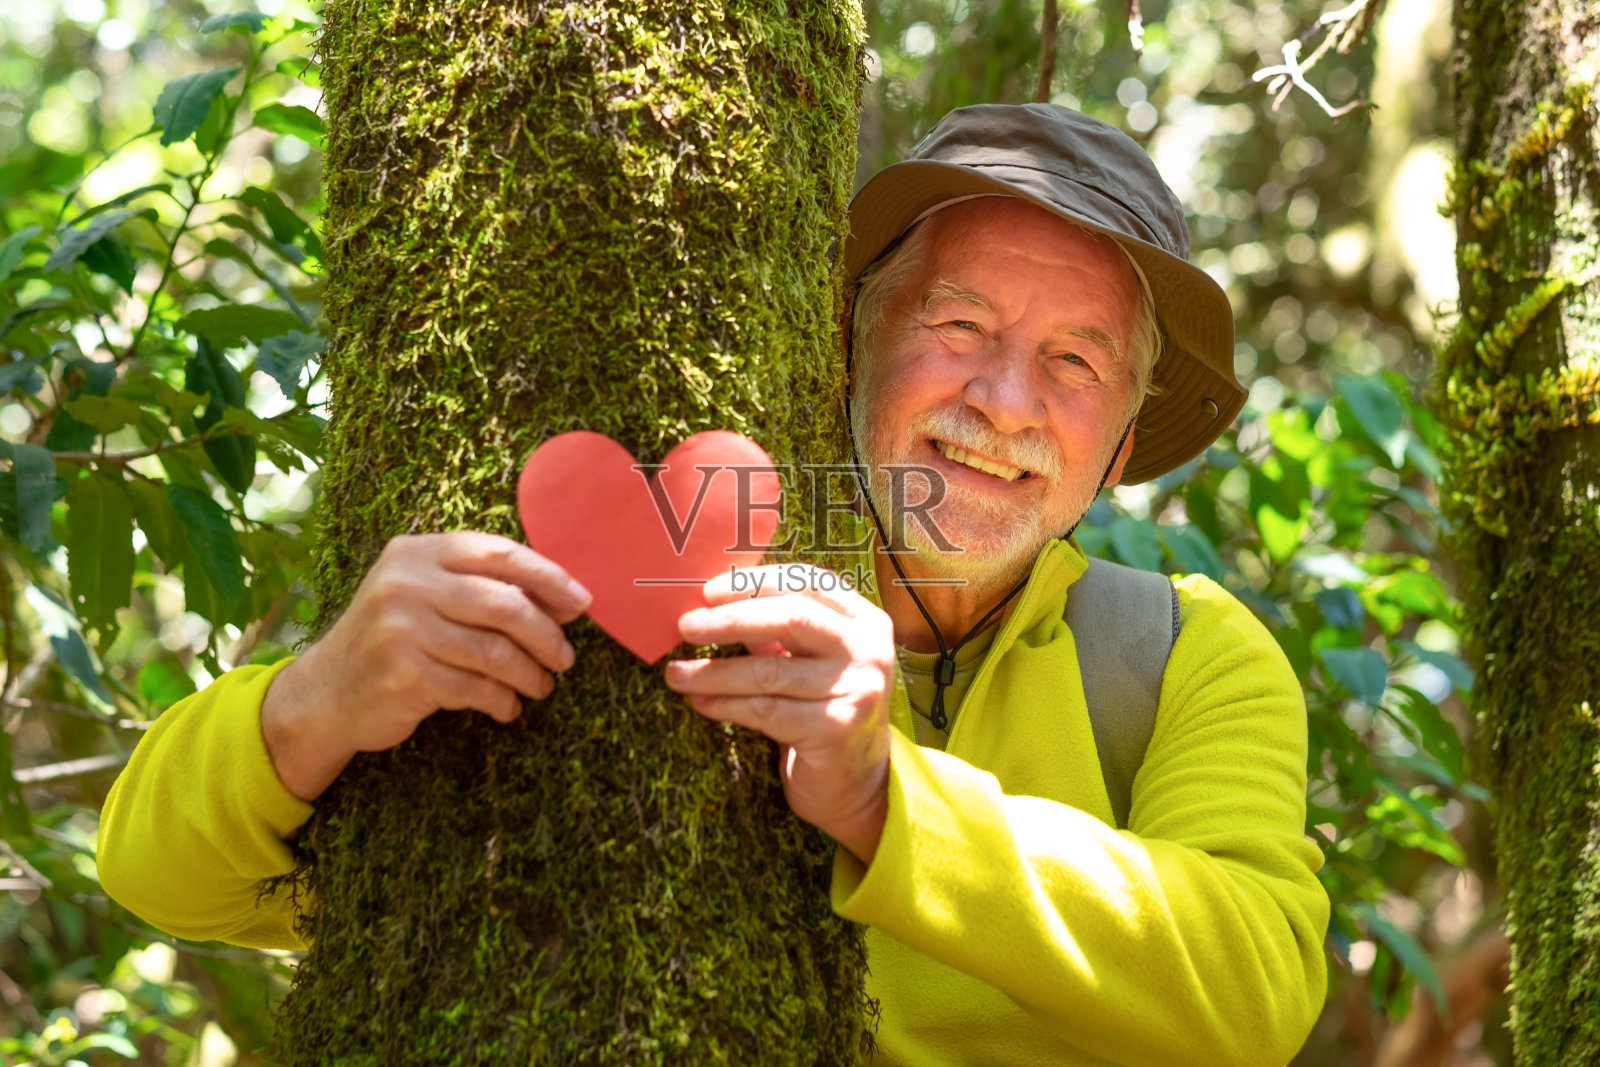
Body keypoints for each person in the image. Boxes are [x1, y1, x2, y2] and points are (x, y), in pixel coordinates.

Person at [99, 103, 1330, 1065]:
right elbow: (160, 873)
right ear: (853, 335)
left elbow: (1257, 989)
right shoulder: (690, 574)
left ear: (1118, 447)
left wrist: (886, 799)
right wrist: (313, 702)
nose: (1003, 401)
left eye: (1072, 361)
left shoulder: (1182, 655)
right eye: (957, 326)